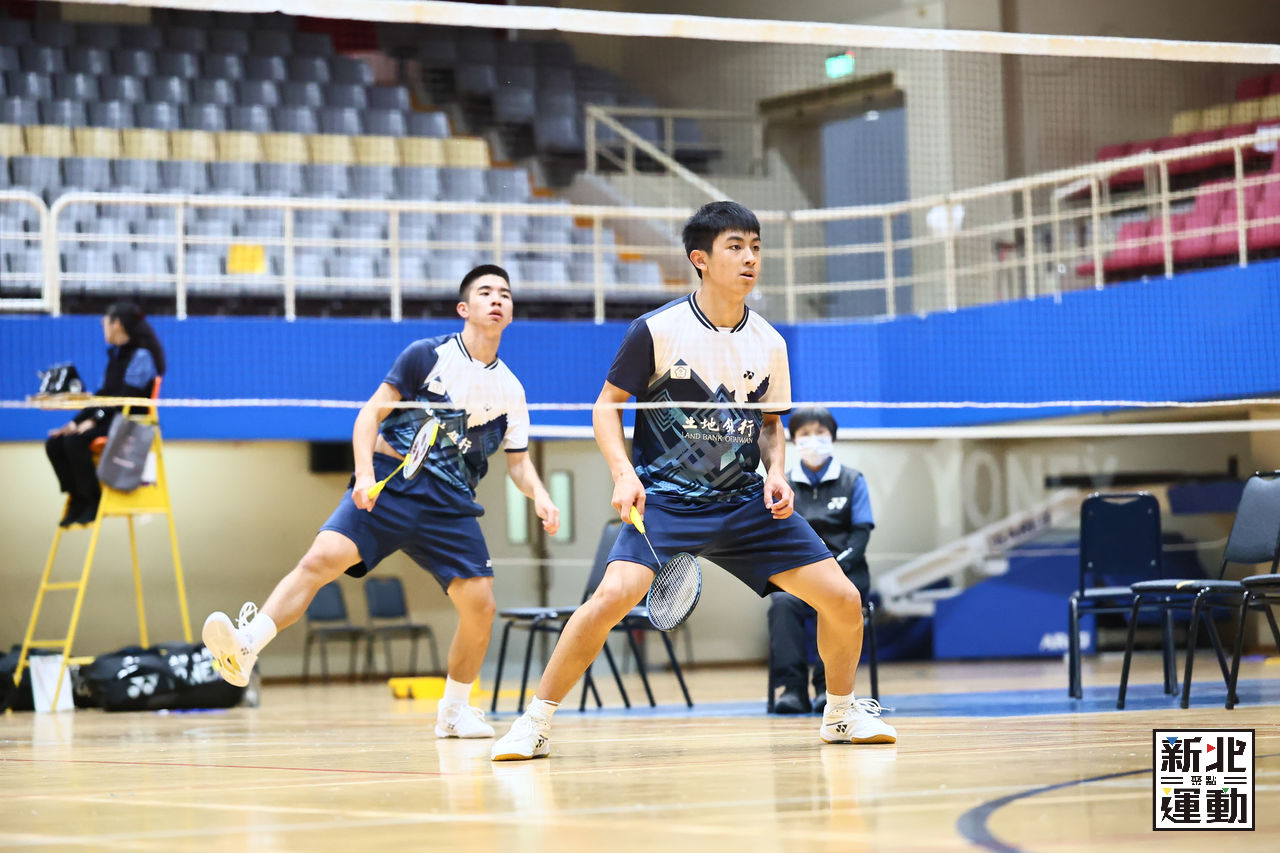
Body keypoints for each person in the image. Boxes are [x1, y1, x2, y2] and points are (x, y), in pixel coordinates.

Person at [490, 202, 895, 761]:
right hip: (666, 502)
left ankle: (841, 714)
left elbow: (771, 424)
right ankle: (534, 721)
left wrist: (777, 473)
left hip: (745, 503)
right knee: (611, 598)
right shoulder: (656, 330)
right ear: (700, 259)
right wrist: (623, 474)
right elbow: (606, 407)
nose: (750, 258)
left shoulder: (770, 343)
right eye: (736, 246)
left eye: (756, 246)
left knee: (843, 599)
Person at [202, 265, 560, 739]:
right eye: (486, 292)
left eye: (505, 294)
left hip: (450, 504)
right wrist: (365, 473)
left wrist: (541, 495)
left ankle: (454, 712)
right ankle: (247, 645)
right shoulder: (426, 356)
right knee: (321, 558)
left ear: (510, 312)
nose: (497, 299)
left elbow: (518, 463)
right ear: (464, 308)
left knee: (481, 606)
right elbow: (369, 414)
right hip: (392, 486)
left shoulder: (512, 390)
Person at [770, 406, 874, 714]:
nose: (813, 440)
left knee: (835, 599)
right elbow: (778, 538)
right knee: (782, 604)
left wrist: (832, 571)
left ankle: (827, 691)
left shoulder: (853, 481)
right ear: (793, 440)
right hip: (799, 576)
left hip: (847, 572)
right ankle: (792, 689)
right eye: (805, 434)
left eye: (820, 433)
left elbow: (860, 536)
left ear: (833, 437)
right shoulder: (784, 485)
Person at [46, 302, 165, 527]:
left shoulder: (141, 356)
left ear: (116, 324)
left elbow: (125, 399)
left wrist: (93, 420)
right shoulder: (115, 356)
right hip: (109, 419)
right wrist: (75, 423)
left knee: (75, 443)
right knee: (55, 443)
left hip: (129, 424)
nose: (103, 328)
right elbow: (102, 396)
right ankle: (77, 499)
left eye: (105, 323)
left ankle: (93, 500)